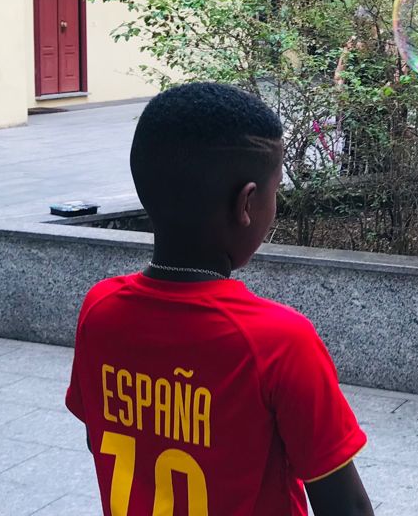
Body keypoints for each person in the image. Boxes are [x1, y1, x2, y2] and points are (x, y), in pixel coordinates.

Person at [65, 82, 374, 516]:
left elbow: (100, 437)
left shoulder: (100, 311)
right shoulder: (280, 342)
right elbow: (347, 509)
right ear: (247, 203)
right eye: (275, 192)